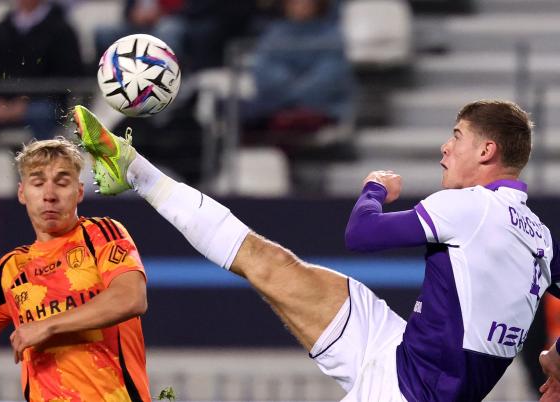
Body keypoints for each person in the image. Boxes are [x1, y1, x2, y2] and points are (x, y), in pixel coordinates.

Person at [72, 100, 557, 401]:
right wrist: (555, 352)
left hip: (410, 393)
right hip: (401, 347)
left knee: (265, 263)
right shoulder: (539, 235)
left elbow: (361, 235)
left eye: (457, 137)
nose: (444, 150)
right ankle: (130, 166)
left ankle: (133, 168)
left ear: (487, 151)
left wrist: (371, 190)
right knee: (272, 263)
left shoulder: (469, 206)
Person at [0, 138, 151, 401]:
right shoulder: (11, 269)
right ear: (22, 193)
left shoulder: (100, 233)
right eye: (37, 183)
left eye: (62, 182)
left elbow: (131, 298)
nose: (49, 194)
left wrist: (47, 326)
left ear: (79, 192)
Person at [0, 0, 84, 145]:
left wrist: (25, 102)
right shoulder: (1, 28)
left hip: (43, 103)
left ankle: (43, 162)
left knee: (41, 113)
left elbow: (68, 77)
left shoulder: (62, 28)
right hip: (0, 104)